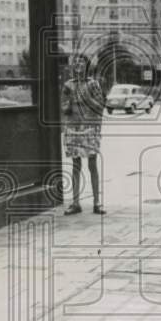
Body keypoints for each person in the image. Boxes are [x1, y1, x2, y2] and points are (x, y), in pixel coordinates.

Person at [61, 53, 106, 215]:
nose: (78, 65)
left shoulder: (93, 84)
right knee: (75, 165)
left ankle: (97, 202)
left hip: (89, 127)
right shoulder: (68, 85)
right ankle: (75, 202)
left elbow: (100, 105)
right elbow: (64, 107)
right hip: (73, 128)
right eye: (76, 63)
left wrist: (86, 99)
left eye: (81, 63)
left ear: (87, 67)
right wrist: (70, 103)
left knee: (92, 164)